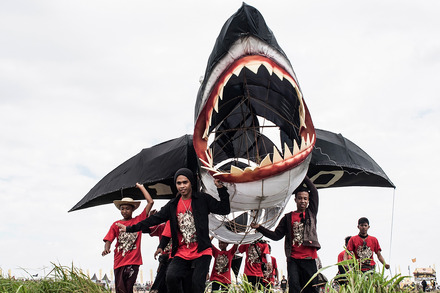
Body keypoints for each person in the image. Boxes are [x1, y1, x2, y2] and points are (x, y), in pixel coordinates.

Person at [116, 168, 230, 293]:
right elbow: (153, 220)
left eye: (185, 182)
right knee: (171, 277)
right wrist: (130, 228)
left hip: (202, 251)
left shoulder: (202, 199)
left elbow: (224, 209)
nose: (182, 186)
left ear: (191, 182)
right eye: (179, 183)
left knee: (196, 284)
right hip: (182, 252)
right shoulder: (173, 205)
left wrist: (221, 188)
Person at [251, 176, 320, 293]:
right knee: (294, 288)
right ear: (295, 200)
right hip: (293, 259)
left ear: (308, 200)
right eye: (300, 198)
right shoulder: (288, 218)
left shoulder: (311, 212)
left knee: (311, 289)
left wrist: (302, 175)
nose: (302, 201)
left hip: (309, 258)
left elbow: (314, 191)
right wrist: (260, 228)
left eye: (305, 199)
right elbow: (276, 236)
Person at [102, 183, 154, 293]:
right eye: (122, 208)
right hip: (119, 262)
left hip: (133, 262)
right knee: (120, 289)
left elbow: (150, 202)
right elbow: (109, 239)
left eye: (127, 208)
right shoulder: (116, 224)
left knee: (128, 288)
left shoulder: (138, 221)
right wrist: (106, 248)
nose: (124, 211)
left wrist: (141, 187)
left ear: (133, 209)